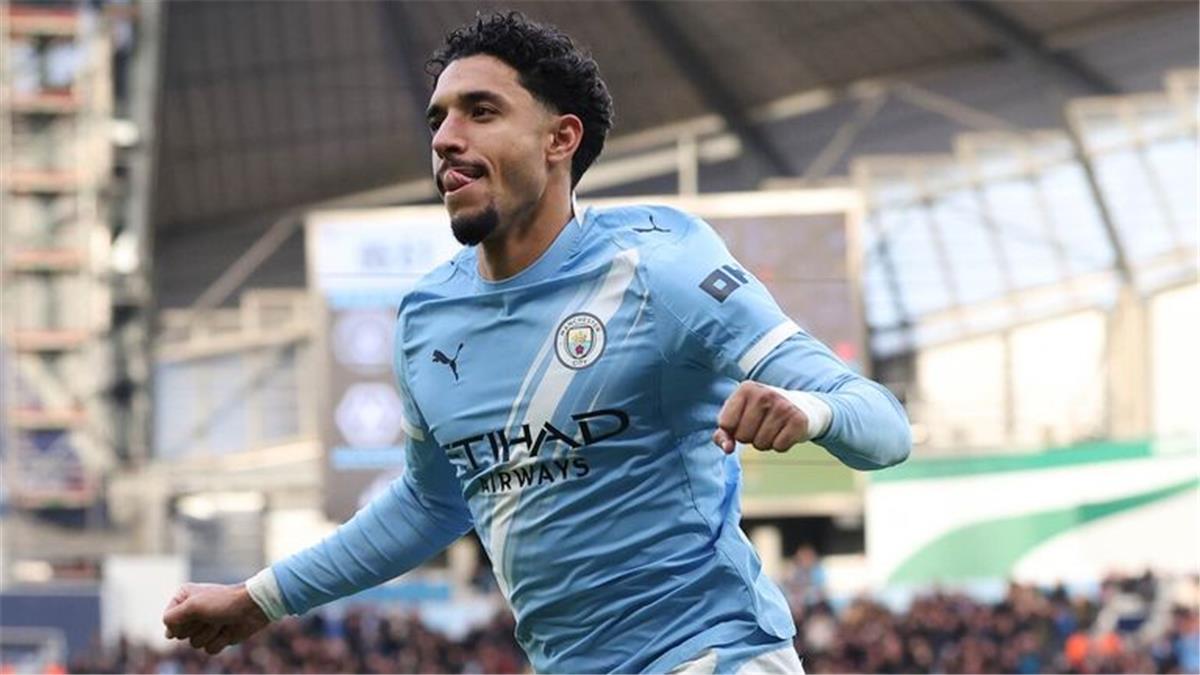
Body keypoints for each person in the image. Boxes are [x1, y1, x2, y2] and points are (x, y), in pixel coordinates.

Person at [162, 11, 911, 674]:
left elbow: (883, 425)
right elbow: (430, 501)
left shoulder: (660, 267)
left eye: (481, 111)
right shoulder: (427, 319)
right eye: (438, 120)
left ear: (561, 138)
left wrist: (808, 411)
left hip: (711, 651)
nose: (446, 139)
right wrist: (260, 597)